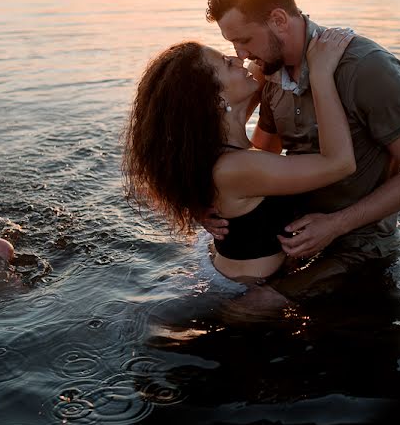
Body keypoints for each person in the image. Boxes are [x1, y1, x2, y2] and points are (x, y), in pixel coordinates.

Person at [202, 0, 400, 300]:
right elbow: (259, 158)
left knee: (250, 309)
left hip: (360, 244)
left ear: (279, 20)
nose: (241, 56)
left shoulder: (367, 69)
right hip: (290, 237)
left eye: (244, 40)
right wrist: (212, 206)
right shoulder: (268, 72)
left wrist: (336, 224)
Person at [121, 29, 357, 283]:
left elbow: (260, 68)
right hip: (247, 294)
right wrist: (322, 73)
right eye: (226, 62)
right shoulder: (236, 167)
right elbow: (340, 163)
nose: (238, 59)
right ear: (215, 101)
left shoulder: (207, 148)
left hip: (229, 270)